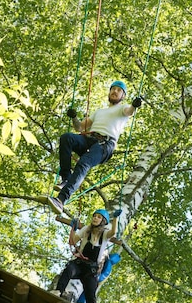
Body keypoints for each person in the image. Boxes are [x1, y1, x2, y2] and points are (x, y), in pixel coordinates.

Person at [45, 81, 142, 214]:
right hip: (89, 139)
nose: (115, 91)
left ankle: (61, 200)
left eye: (119, 90)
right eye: (113, 89)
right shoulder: (99, 112)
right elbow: (80, 127)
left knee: (84, 163)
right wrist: (74, 118)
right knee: (67, 138)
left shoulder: (122, 108)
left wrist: (134, 106)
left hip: (105, 144)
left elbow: (129, 111)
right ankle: (66, 178)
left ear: (123, 96)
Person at [51, 208, 120, 303]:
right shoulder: (86, 229)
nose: (95, 218)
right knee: (69, 269)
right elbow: (72, 241)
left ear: (103, 221)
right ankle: (58, 291)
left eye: (99, 217)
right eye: (94, 216)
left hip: (90, 271)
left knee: (91, 293)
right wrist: (73, 229)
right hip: (79, 265)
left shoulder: (105, 234)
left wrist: (115, 218)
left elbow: (113, 232)